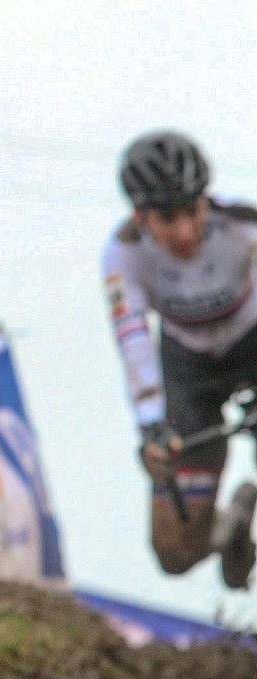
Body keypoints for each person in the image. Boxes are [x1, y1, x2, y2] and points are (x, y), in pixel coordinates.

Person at [103, 130, 257, 590]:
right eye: (168, 218)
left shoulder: (243, 225)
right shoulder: (123, 252)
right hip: (188, 367)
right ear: (141, 214)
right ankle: (231, 525)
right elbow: (132, 337)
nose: (185, 231)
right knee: (175, 552)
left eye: (193, 210)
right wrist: (152, 427)